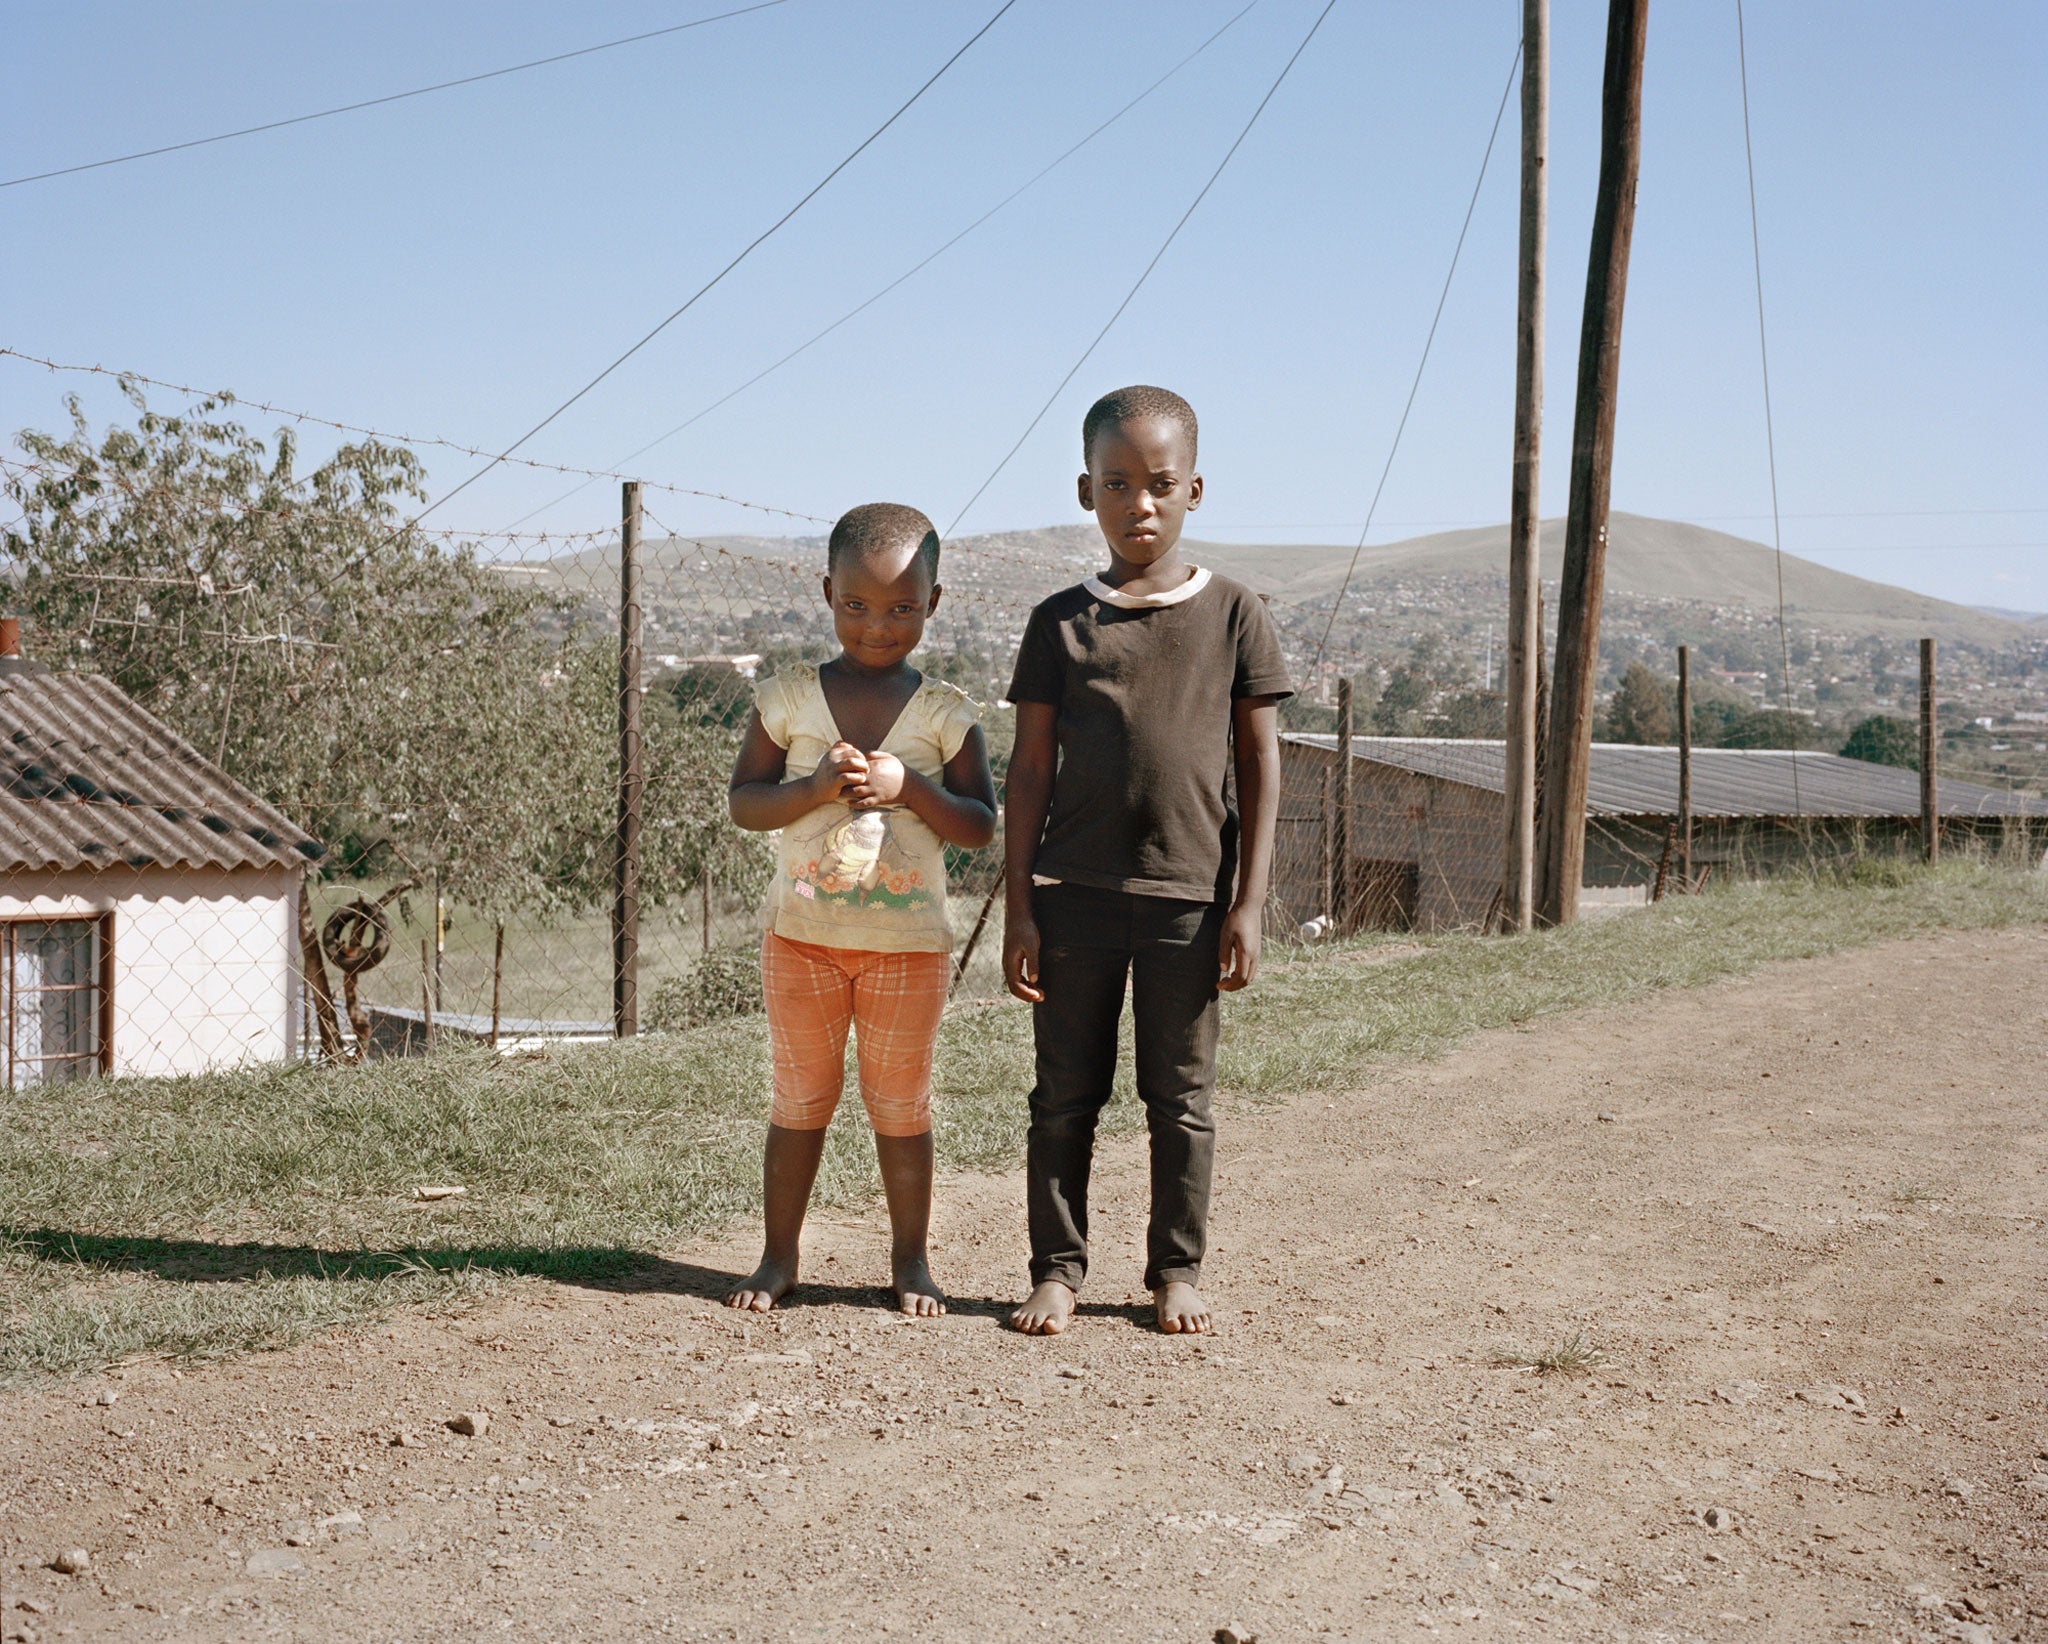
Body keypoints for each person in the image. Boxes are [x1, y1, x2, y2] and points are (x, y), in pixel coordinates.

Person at [1002, 385, 1291, 1337]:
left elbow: (1259, 766)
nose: (1140, 504)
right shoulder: (1058, 624)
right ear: (1086, 490)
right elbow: (1031, 772)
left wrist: (1247, 905)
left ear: (1195, 489)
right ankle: (1056, 1270)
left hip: (1189, 901)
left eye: (1160, 484)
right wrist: (1020, 908)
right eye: (1117, 484)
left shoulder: (1237, 614)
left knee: (1182, 1099)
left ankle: (1175, 1270)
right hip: (1075, 897)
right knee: (1064, 1097)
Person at [726, 502, 996, 1317]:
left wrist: (908, 786)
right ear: (826, 592)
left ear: (933, 603)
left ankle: (911, 1262)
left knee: (900, 1102)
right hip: (801, 939)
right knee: (799, 1098)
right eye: (857, 606)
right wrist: (810, 790)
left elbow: (980, 827)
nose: (878, 626)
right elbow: (745, 801)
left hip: (907, 947)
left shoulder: (947, 714)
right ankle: (778, 1258)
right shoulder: (788, 699)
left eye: (902, 609)